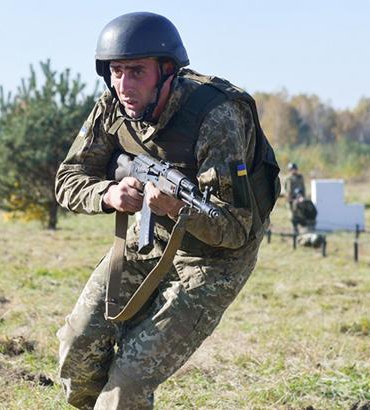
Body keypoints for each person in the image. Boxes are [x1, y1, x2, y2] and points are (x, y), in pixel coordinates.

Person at [54, 11, 279, 409]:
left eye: (136, 71)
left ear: (167, 70)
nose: (124, 84)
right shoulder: (113, 106)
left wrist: (177, 208)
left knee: (129, 382)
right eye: (116, 71)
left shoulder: (218, 116)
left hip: (213, 263)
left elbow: (234, 229)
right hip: (149, 241)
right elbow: (69, 178)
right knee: (78, 349)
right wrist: (109, 194)